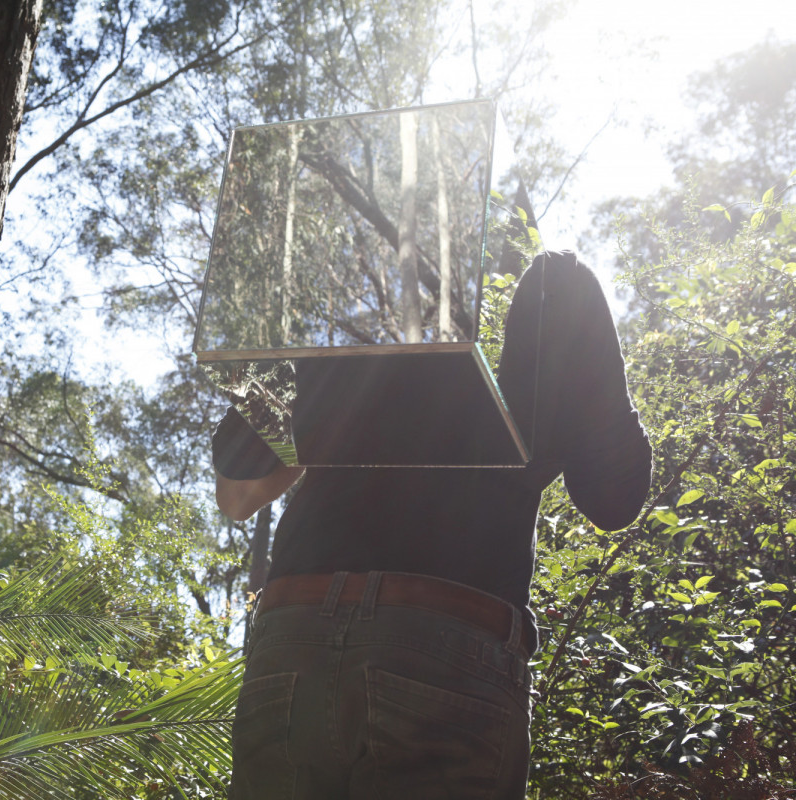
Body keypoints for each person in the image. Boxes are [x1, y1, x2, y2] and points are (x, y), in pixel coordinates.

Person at [213, 250, 653, 799]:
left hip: (294, 636)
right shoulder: (555, 291)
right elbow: (615, 500)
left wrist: (349, 403)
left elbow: (237, 493)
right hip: (445, 644)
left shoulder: (355, 332)